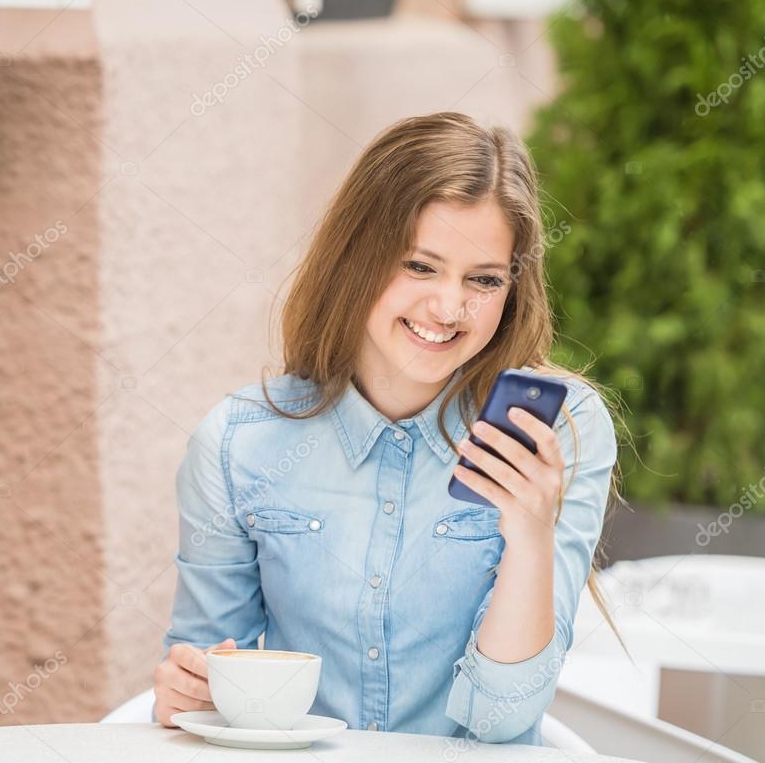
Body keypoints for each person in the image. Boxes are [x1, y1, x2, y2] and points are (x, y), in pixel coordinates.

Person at [152, 111, 625, 745]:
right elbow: (211, 685)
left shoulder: (561, 431)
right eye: (421, 267)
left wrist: (531, 536)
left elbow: (503, 719)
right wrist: (189, 692)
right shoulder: (239, 444)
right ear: (356, 258)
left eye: (483, 280)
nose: (449, 308)